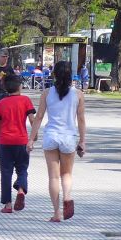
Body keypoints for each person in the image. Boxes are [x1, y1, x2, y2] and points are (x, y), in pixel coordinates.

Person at [30, 61, 86, 222]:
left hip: (51, 136)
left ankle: (56, 213)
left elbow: (39, 117)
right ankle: (67, 197)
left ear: (54, 75)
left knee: (53, 177)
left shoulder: (47, 93)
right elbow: (81, 119)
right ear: (70, 75)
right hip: (69, 137)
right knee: (66, 174)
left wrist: (31, 139)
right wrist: (83, 141)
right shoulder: (78, 94)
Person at [0, 74, 36, 214]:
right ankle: (21, 190)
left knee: (6, 173)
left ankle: (8, 205)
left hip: (5, 141)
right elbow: (32, 119)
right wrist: (34, 136)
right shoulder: (26, 100)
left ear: (6, 88)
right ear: (19, 87)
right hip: (22, 141)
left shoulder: (1, 103)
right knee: (22, 169)